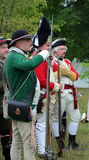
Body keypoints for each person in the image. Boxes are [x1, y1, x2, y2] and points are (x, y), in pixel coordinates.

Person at [4, 29, 50, 160]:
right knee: (29, 143)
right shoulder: (14, 56)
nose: (31, 42)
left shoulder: (16, 56)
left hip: (17, 103)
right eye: (27, 40)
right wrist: (44, 53)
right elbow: (30, 65)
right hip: (23, 105)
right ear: (18, 43)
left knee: (17, 143)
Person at [32, 17, 62, 158]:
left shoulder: (46, 58)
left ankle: (44, 149)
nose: (49, 47)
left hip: (47, 95)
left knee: (45, 124)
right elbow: (43, 81)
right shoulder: (40, 59)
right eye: (46, 45)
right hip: (43, 96)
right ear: (41, 46)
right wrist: (56, 86)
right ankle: (42, 150)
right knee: (42, 124)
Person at [51, 38, 83, 150]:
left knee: (76, 116)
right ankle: (60, 143)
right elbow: (54, 76)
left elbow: (75, 76)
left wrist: (67, 73)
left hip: (70, 93)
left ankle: (72, 142)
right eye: (61, 49)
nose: (64, 51)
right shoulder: (51, 61)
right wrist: (69, 74)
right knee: (56, 118)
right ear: (55, 50)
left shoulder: (67, 62)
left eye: (65, 49)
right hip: (59, 92)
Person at [0, 37, 11, 160]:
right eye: (3, 48)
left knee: (6, 131)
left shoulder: (8, 63)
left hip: (6, 104)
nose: (6, 50)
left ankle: (7, 155)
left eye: (7, 47)